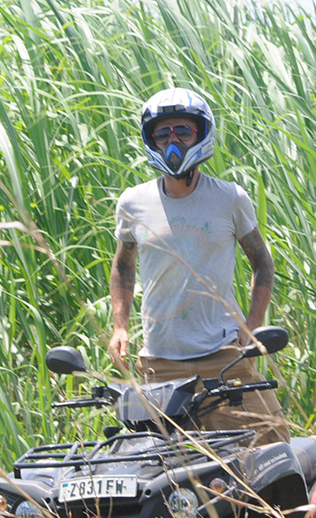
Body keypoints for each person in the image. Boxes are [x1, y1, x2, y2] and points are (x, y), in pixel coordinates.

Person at [108, 87, 290, 446]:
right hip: (161, 362)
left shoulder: (229, 198)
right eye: (163, 133)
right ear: (152, 140)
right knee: (170, 468)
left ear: (201, 134)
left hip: (224, 357)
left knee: (272, 447)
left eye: (182, 131)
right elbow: (123, 268)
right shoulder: (133, 202)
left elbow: (262, 263)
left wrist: (253, 324)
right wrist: (119, 327)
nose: (172, 140)